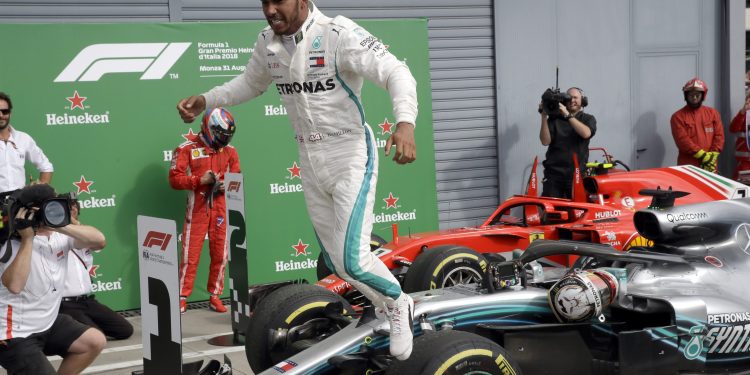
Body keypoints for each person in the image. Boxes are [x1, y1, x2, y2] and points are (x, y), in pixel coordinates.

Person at [176, 0, 418, 360]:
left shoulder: (338, 33)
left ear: (302, 1)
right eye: (265, 2)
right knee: (336, 262)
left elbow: (396, 71)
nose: (271, 9)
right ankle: (381, 305)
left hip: (350, 153)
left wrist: (405, 123)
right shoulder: (267, 42)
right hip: (309, 156)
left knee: (353, 259)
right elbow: (249, 83)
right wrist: (206, 99)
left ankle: (400, 303)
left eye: (279, 1)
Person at [0, 184, 107, 375]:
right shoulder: (11, 243)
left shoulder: (60, 235)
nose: (54, 211)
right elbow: (15, 286)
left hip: (46, 324)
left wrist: (61, 224)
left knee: (94, 342)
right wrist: (28, 239)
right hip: (13, 334)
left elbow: (99, 240)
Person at [169, 107, 240, 314]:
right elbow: (174, 179)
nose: (224, 139)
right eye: (221, 134)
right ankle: (182, 296)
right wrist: (199, 181)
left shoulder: (230, 151)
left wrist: (227, 184)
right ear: (210, 128)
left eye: (227, 135)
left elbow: (236, 176)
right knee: (190, 255)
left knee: (220, 253)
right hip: (197, 209)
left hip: (220, 208)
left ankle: (215, 295)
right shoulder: (186, 148)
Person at [59, 200, 134, 340]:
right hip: (65, 303)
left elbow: (100, 242)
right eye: (68, 207)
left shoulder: (84, 235)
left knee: (125, 330)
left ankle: (82, 327)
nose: (72, 210)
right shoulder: (56, 237)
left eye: (75, 207)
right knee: (97, 337)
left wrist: (74, 222)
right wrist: (62, 221)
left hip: (87, 301)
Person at [539, 87, 597, 198]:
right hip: (553, 175)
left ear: (583, 100)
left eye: (575, 97)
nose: (572, 100)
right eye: (569, 97)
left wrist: (567, 115)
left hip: (576, 175)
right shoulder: (555, 119)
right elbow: (545, 141)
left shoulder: (588, 119)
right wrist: (543, 117)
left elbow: (586, 133)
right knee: (551, 212)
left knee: (577, 212)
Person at [0, 92, 54, 195]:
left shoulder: (23, 138)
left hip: (20, 201)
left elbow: (46, 166)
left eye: (5, 111)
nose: (1, 115)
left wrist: (39, 192)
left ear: (10, 113)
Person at [670, 77, 724, 172]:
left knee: (710, 186)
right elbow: (682, 140)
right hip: (688, 165)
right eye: (691, 95)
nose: (694, 98)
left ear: (703, 96)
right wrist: (702, 155)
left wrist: (712, 155)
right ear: (686, 96)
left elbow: (719, 136)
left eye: (697, 95)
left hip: (710, 164)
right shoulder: (677, 117)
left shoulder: (713, 113)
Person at [730, 94, 750, 182]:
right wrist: (743, 111)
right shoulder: (745, 114)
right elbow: (733, 129)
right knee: (743, 188)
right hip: (745, 162)